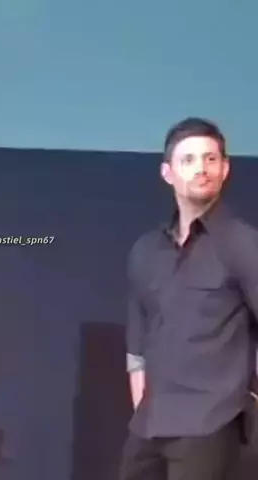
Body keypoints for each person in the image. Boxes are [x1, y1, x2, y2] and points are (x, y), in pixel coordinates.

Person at [120, 117, 258, 480]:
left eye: (211, 159)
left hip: (212, 424)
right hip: (149, 426)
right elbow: (137, 346)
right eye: (189, 159)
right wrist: (143, 409)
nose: (202, 168)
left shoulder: (243, 244)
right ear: (168, 173)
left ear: (225, 169)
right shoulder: (146, 250)